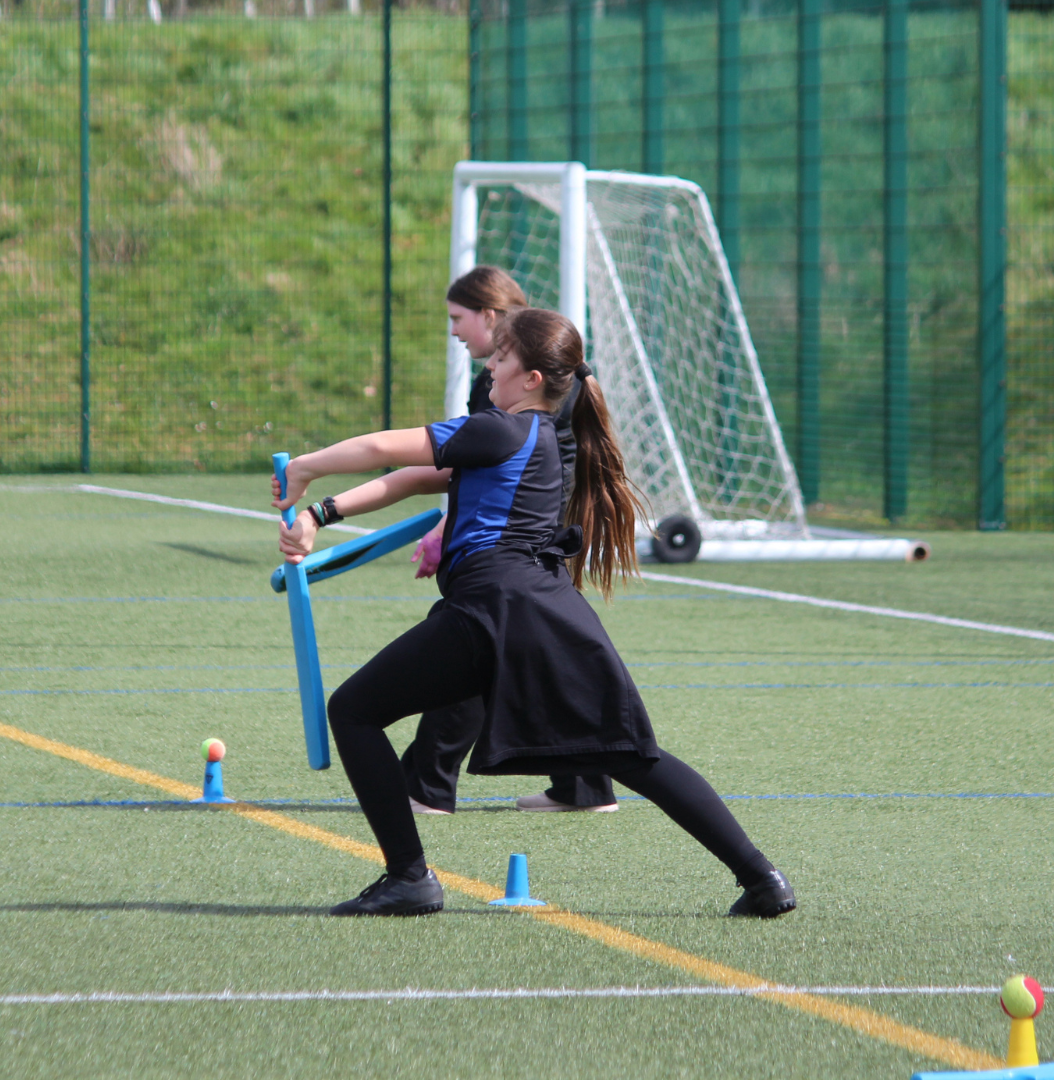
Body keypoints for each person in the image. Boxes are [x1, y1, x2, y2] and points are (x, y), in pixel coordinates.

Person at [274, 307, 796, 920]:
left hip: (495, 608)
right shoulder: (532, 437)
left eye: (500, 356)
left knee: (354, 710)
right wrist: (321, 514)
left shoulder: (502, 430)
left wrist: (307, 467)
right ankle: (762, 878)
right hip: (544, 612)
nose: (488, 365)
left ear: (531, 378)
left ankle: (409, 879)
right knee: (630, 756)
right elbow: (414, 478)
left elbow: (383, 447)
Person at [405, 265, 618, 816]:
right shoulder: (530, 368)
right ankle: (584, 783)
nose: (454, 331)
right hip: (543, 530)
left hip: (526, 536)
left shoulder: (515, 377)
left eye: (458, 319)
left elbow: (481, 469)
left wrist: (444, 529)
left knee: (478, 645)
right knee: (544, 653)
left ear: (490, 317)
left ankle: (426, 785)